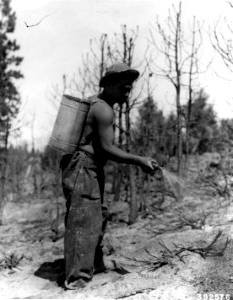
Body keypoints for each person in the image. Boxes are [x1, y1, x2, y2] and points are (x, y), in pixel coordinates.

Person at [60, 63, 159, 290]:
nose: (128, 91)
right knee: (84, 219)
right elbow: (106, 148)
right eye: (123, 88)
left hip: (87, 167)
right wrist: (139, 160)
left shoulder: (97, 103)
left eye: (130, 88)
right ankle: (77, 279)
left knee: (98, 214)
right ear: (110, 85)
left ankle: (93, 266)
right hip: (82, 167)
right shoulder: (103, 109)